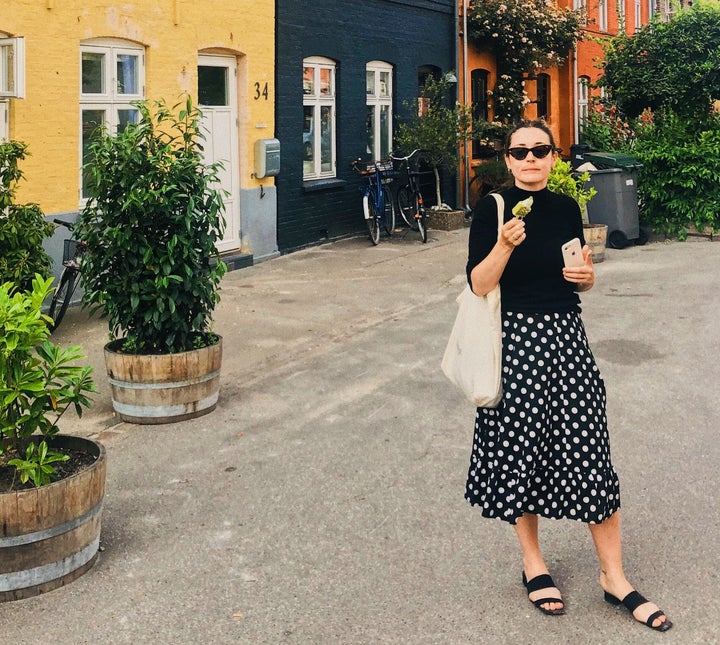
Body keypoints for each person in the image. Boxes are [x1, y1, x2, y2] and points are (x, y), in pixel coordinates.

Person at [464, 120, 672, 632]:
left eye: (540, 150)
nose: (530, 159)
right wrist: (505, 245)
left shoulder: (564, 208)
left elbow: (577, 273)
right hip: (515, 343)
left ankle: (614, 578)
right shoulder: (491, 210)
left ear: (553, 157)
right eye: (520, 152)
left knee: (589, 450)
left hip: (567, 341)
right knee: (521, 452)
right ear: (508, 160)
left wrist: (588, 277)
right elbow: (477, 284)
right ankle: (534, 564)